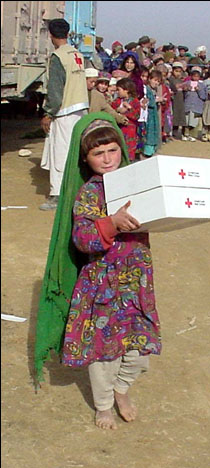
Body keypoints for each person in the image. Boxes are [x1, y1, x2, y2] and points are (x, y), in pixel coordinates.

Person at [34, 112, 162, 429]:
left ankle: (122, 389)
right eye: (97, 153)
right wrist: (111, 223)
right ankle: (104, 404)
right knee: (105, 353)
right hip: (103, 286)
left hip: (135, 283)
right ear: (86, 158)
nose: (106, 159)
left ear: (122, 148)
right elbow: (83, 238)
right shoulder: (90, 193)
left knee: (139, 348)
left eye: (112, 150)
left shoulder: (136, 183)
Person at [40, 18, 89, 210]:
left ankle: (56, 195)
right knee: (76, 151)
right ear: (68, 33)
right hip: (81, 109)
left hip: (64, 111)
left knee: (59, 154)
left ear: (51, 35)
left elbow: (55, 89)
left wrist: (48, 113)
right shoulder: (77, 54)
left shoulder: (58, 56)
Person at [111, 78, 141, 161]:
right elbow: (111, 111)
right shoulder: (116, 101)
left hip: (130, 131)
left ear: (126, 90)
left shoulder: (135, 102)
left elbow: (137, 116)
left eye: (119, 90)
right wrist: (117, 110)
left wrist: (129, 108)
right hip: (118, 129)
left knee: (129, 150)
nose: (117, 92)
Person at [182, 66, 206, 141]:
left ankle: (193, 135)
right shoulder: (186, 83)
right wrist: (186, 90)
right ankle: (185, 134)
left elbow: (204, 97)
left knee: (194, 121)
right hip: (187, 105)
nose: (195, 78)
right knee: (186, 120)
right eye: (194, 76)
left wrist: (199, 90)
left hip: (196, 106)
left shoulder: (202, 85)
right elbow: (182, 95)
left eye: (197, 76)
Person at [143, 69, 162, 157]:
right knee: (149, 133)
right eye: (155, 80)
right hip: (148, 116)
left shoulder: (153, 90)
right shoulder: (146, 89)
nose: (156, 83)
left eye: (158, 81)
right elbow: (146, 102)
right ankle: (147, 152)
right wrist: (155, 100)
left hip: (153, 115)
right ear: (149, 79)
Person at [169, 61, 186, 139]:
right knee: (174, 116)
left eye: (180, 71)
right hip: (173, 100)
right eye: (176, 71)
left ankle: (179, 133)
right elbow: (172, 88)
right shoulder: (171, 80)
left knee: (180, 115)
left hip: (180, 100)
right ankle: (172, 133)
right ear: (172, 71)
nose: (178, 73)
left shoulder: (182, 80)